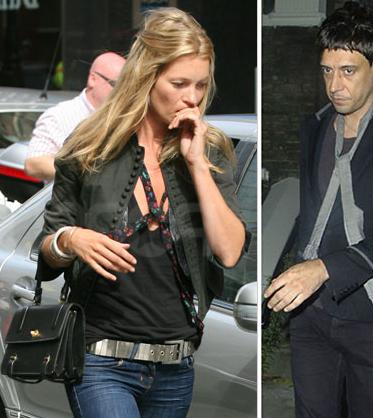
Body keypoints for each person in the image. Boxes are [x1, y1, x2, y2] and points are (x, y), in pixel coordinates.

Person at [36, 7, 246, 418]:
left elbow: (230, 251)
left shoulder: (209, 150)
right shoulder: (91, 146)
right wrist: (71, 240)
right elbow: (47, 246)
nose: (192, 98)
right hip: (101, 360)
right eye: (179, 84)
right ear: (146, 77)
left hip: (175, 368)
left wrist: (196, 164)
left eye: (201, 85)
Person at [264, 2, 373, 417]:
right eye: (327, 70)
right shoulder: (315, 126)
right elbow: (311, 214)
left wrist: (323, 268)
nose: (335, 85)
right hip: (312, 315)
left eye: (348, 71)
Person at [24, 52, 126, 181]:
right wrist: (86, 172)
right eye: (116, 85)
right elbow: (33, 164)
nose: (122, 93)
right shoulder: (59, 115)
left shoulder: (126, 118)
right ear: (93, 79)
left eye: (126, 88)